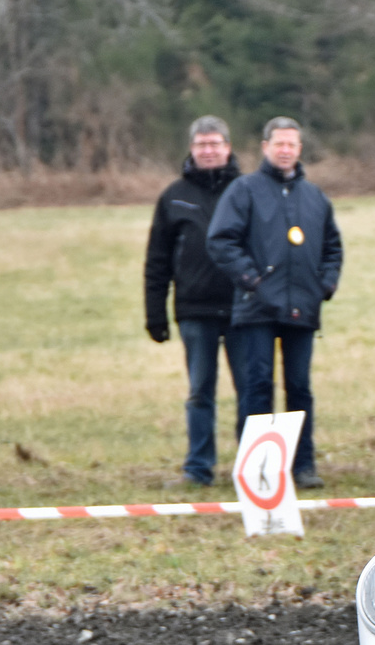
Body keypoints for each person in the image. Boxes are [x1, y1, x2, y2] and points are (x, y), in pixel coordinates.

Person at [207, 116, 343, 488]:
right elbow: (221, 241)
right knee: (257, 386)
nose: (285, 150)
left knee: (299, 387)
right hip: (257, 309)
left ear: (299, 149)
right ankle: (259, 469)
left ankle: (303, 465)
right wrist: (251, 280)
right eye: (278, 144)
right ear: (265, 147)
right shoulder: (244, 190)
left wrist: (324, 285)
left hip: (303, 307)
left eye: (292, 145)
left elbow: (333, 247)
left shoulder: (315, 197)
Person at [143, 115, 243, 487]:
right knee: (200, 392)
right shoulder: (173, 197)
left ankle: (248, 471)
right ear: (192, 149)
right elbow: (157, 260)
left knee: (250, 392)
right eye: (202, 145)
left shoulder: (246, 189)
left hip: (243, 310)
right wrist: (156, 313)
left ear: (227, 147)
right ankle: (198, 468)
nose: (209, 150)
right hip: (194, 311)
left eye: (215, 144)